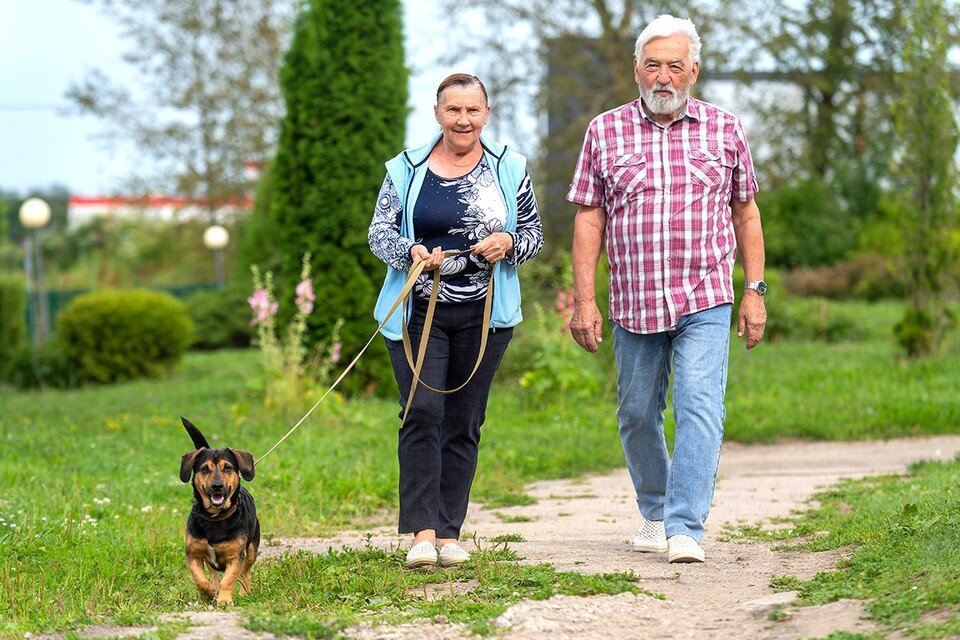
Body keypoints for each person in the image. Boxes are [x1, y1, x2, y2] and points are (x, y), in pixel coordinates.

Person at [566, 15, 766, 563]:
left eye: (674, 65)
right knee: (635, 413)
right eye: (652, 64)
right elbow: (588, 218)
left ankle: (685, 526)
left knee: (700, 406)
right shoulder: (604, 131)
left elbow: (746, 214)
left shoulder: (725, 129)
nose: (662, 76)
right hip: (632, 301)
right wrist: (585, 300)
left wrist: (756, 290)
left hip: (705, 296)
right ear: (636, 69)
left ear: (693, 71)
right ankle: (655, 510)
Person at [368, 73, 543, 570]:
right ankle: (421, 533)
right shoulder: (406, 169)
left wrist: (509, 243)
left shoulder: (510, 168)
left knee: (465, 421)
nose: (463, 120)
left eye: (472, 110)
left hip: (486, 316)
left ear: (486, 114)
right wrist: (411, 251)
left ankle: (449, 532)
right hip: (417, 311)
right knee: (422, 412)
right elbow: (378, 232)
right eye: (453, 110)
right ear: (438, 114)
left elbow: (533, 234)